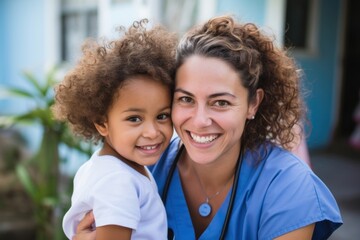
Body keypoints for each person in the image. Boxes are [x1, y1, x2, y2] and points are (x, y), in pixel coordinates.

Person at [73, 15, 342, 240]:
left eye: (221, 102)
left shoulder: (288, 188)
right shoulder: (143, 167)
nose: (200, 120)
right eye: (186, 99)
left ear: (253, 103)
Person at [52, 19, 177, 240]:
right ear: (102, 124)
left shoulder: (110, 167)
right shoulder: (117, 181)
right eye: (134, 118)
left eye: (162, 116)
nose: (152, 131)